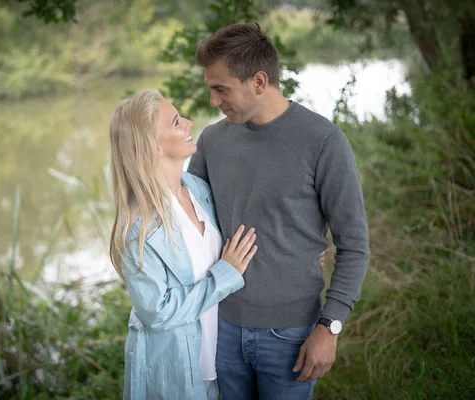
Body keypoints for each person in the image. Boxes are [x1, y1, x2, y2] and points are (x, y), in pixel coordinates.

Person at [187, 23, 371, 400]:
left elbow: (354, 245)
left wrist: (330, 327)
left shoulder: (323, 141)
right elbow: (187, 225)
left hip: (291, 335)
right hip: (219, 327)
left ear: (258, 80)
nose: (213, 101)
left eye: (221, 89)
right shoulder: (211, 142)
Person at [108, 89, 325, 399]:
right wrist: (224, 275)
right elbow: (158, 312)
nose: (189, 123)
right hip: (174, 369)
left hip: (217, 360)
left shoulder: (199, 190)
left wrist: (304, 250)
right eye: (176, 122)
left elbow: (251, 215)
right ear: (152, 147)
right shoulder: (136, 229)